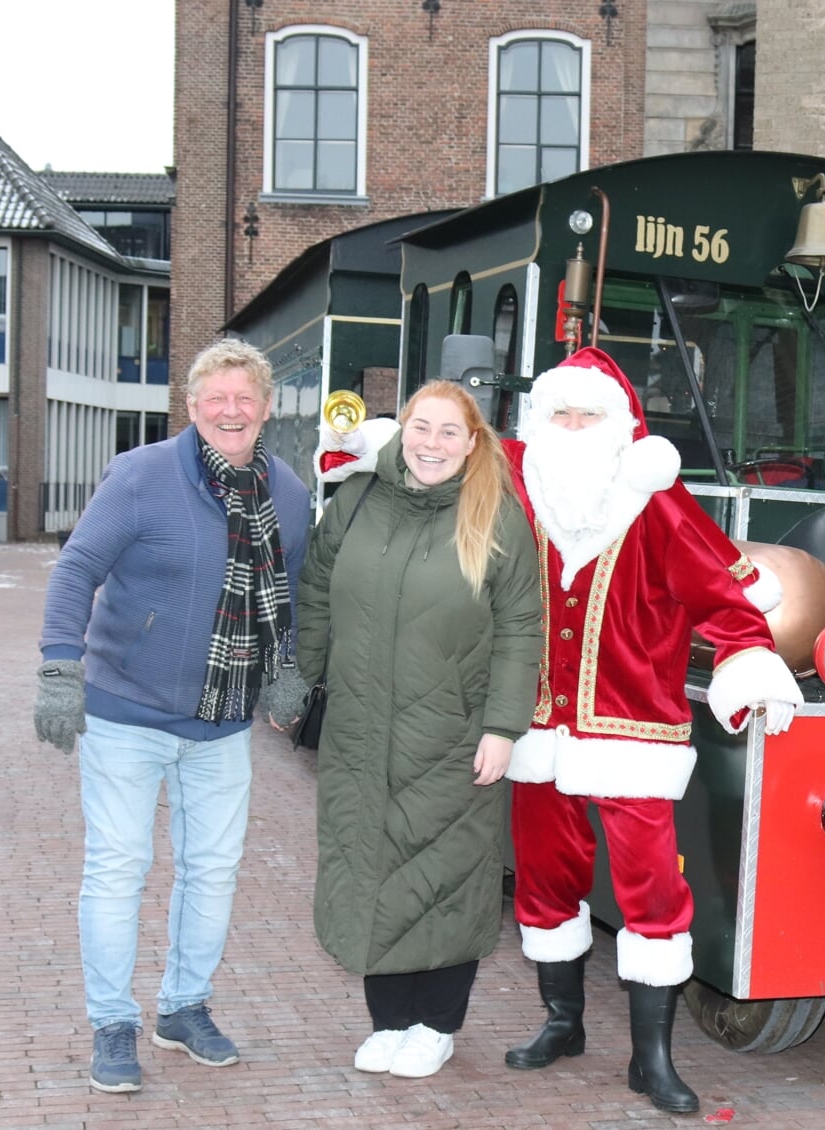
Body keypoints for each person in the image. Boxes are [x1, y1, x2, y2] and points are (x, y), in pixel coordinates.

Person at [501, 346, 803, 1114]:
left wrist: (748, 665)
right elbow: (431, 460)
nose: (571, 428)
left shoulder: (655, 502)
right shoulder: (514, 486)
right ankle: (562, 1023)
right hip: (535, 734)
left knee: (653, 897)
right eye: (559, 414)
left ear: (620, 424)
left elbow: (730, 605)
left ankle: (652, 1060)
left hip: (632, 739)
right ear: (539, 420)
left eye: (588, 415)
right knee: (543, 884)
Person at [35, 339, 312, 1095]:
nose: (230, 410)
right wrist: (61, 666)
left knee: (212, 872)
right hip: (127, 710)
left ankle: (184, 1008)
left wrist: (287, 669)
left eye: (244, 398)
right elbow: (77, 568)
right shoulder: (143, 477)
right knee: (118, 871)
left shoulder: (286, 492)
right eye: (214, 398)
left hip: (222, 722)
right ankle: (112, 1023)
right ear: (192, 407)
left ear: (264, 408)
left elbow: (287, 597)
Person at [296, 380, 542, 1080]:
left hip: (453, 736)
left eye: (447, 432)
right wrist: (300, 675)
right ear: (401, 430)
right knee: (369, 866)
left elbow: (522, 629)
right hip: (360, 728)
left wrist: (502, 726)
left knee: (444, 876)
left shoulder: (497, 516)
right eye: (420, 427)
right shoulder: (360, 500)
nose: (431, 444)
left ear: (472, 443)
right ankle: (389, 1021)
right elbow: (317, 588)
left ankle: (435, 1023)